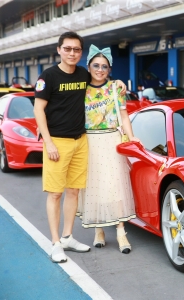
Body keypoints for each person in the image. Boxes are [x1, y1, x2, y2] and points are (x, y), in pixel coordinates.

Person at [34, 32, 127, 263]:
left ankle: (67, 236)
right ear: (59, 50)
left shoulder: (84, 75)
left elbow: (102, 79)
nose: (72, 53)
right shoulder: (48, 76)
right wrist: (48, 141)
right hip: (57, 142)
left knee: (74, 191)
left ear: (81, 53)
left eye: (76, 49)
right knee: (56, 194)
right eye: (67, 49)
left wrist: (118, 82)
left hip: (81, 141)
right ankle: (55, 243)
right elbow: (38, 110)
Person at [76, 44, 140, 254]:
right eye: (96, 65)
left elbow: (123, 116)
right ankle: (99, 230)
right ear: (89, 66)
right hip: (89, 142)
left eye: (105, 66)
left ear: (109, 69)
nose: (100, 69)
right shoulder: (80, 87)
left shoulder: (116, 88)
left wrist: (131, 137)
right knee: (94, 187)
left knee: (116, 186)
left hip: (112, 141)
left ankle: (121, 231)